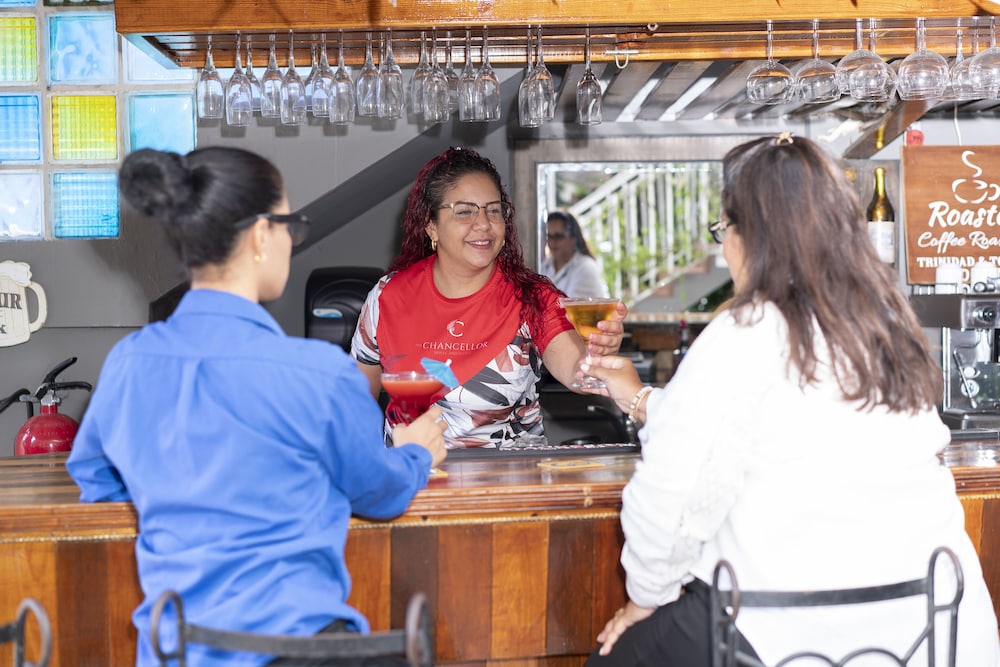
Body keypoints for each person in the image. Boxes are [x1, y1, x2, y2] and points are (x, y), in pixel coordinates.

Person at [579, 133, 1000, 666]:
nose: (723, 248)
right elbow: (773, 428)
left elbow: (670, 494)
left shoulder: (747, 327)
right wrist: (640, 398)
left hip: (789, 637)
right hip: (941, 633)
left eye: (724, 229)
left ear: (751, 235)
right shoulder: (887, 325)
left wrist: (645, 598)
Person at [66, 147, 447, 667]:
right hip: (300, 653)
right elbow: (380, 493)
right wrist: (415, 452)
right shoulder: (319, 373)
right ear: (262, 235)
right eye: (290, 225)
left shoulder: (128, 363)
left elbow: (96, 477)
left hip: (175, 652)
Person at [351, 147, 626, 449]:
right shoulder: (387, 296)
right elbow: (357, 401)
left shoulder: (532, 298)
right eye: (464, 211)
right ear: (431, 225)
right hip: (413, 473)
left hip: (510, 476)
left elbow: (576, 370)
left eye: (493, 210)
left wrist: (596, 355)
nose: (483, 223)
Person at [539, 211, 610, 298]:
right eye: (549, 236)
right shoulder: (545, 266)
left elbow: (571, 305)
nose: (553, 242)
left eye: (559, 236)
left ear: (573, 238)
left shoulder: (585, 267)